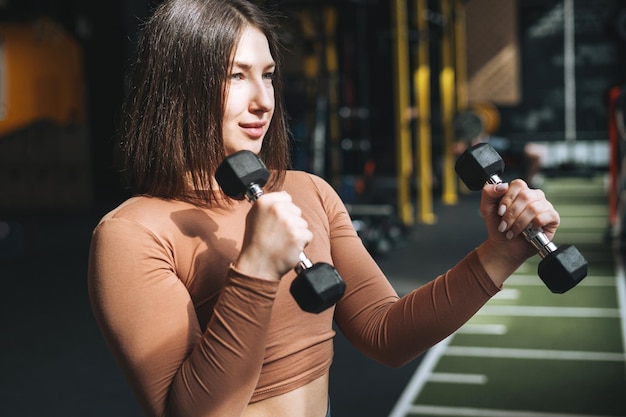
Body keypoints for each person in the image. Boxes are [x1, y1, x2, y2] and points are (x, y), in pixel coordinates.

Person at [87, 1, 561, 416]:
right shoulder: (133, 233)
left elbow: (385, 333)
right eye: (236, 75)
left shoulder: (308, 192)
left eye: (268, 76)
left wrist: (499, 254)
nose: (262, 101)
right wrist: (255, 270)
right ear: (179, 86)